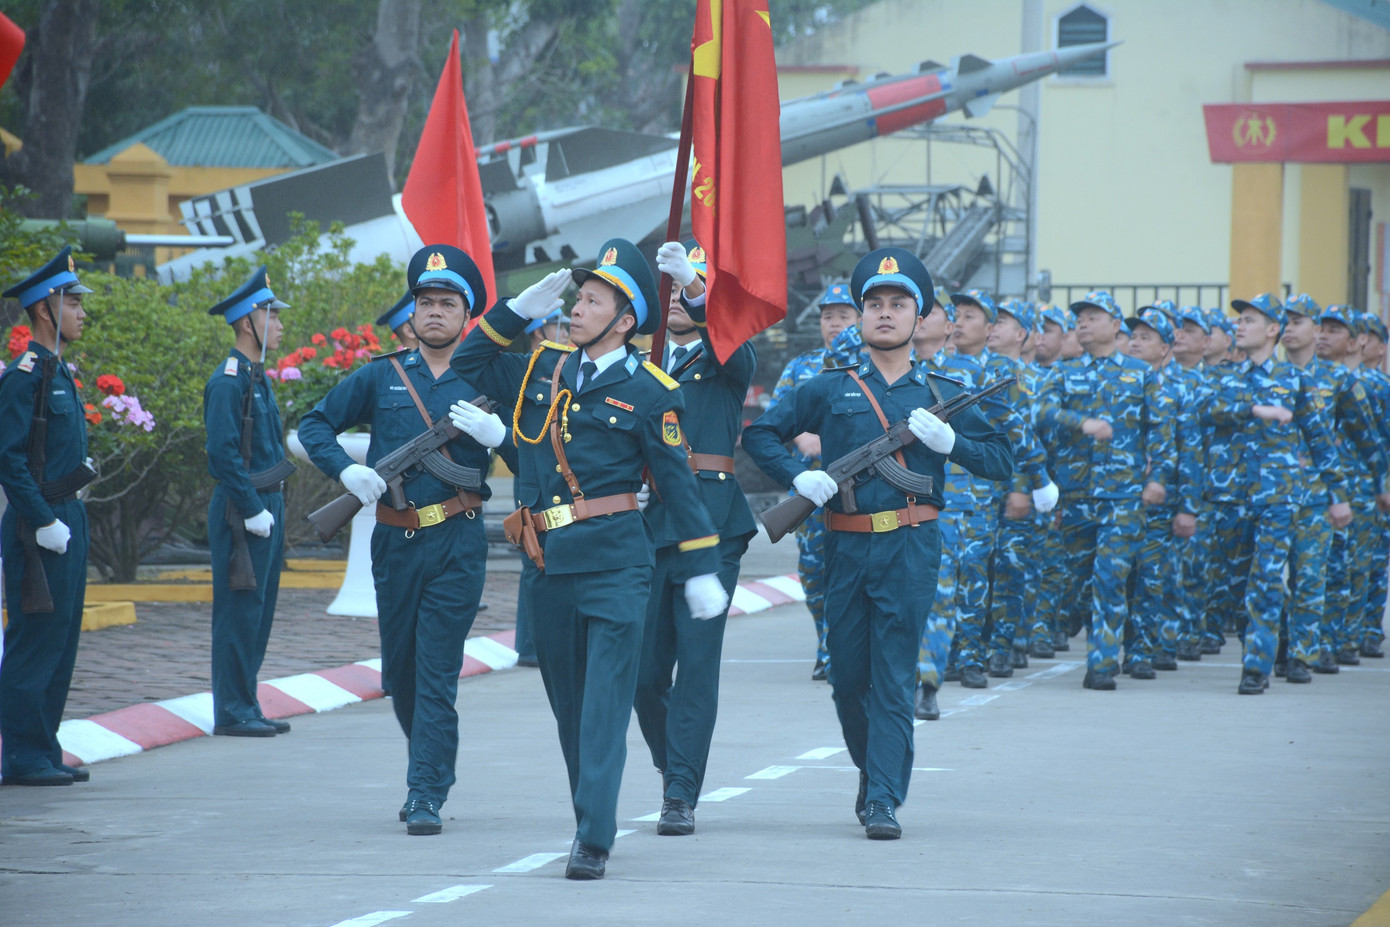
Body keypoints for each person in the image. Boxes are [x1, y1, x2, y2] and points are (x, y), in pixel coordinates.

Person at [451, 238, 727, 880]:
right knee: (569, 705)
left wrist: (700, 566)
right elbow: (466, 360)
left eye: (593, 300)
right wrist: (514, 311)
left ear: (625, 320)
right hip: (548, 563)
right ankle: (589, 812)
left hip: (617, 563)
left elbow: (679, 489)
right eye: (578, 297)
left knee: (606, 701)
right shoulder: (543, 367)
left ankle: (593, 835)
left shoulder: (653, 391)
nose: (577, 308)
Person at [744, 248, 1012, 840]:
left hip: (912, 547)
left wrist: (951, 446)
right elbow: (760, 432)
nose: (884, 314)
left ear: (920, 320)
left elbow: (1000, 460)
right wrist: (797, 476)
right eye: (874, 304)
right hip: (844, 545)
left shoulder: (944, 390)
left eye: (898, 304)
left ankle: (883, 797)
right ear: (861, 318)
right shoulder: (828, 388)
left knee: (893, 676)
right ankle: (876, 774)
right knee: (846, 682)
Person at [298, 244, 510, 835]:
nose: (434, 312)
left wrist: (499, 438)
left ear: (467, 315)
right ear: (411, 313)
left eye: (447, 302)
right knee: (403, 675)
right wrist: (346, 470)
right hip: (393, 543)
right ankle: (434, 764)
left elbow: (535, 447)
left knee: (436, 669)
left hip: (459, 542)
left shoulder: (486, 375)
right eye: (425, 302)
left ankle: (424, 792)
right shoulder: (380, 375)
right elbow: (314, 424)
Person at [633, 241, 758, 837]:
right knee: (642, 672)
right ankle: (671, 763)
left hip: (709, 522)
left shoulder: (725, 354)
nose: (679, 297)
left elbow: (740, 356)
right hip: (643, 524)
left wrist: (703, 295)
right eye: (673, 288)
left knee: (696, 665)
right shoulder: (639, 363)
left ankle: (680, 790)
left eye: (691, 288)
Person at [1203, 294, 1351, 693]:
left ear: (1272, 330)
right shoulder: (1221, 377)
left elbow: (1320, 440)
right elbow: (1208, 410)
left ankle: (1257, 667)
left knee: (1266, 580)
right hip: (1229, 496)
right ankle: (1276, 639)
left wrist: (1338, 493)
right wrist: (1255, 408)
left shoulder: (1293, 379)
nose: (1240, 326)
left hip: (1278, 497)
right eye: (1239, 320)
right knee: (1235, 585)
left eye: (1250, 320)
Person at [1034, 291, 1174, 690]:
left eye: (1093, 316)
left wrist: (1158, 480)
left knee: (1110, 577)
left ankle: (1102, 662)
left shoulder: (1141, 373)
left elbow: (1161, 432)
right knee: (1080, 582)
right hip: (1076, 495)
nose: (1083, 322)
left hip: (1123, 496)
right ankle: (1100, 641)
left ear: (1116, 325)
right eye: (1080, 316)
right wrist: (1082, 423)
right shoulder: (1063, 373)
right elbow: (1040, 413)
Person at [0, 246, 96, 786]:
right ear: (44, 308)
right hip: (40, 527)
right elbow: (8, 458)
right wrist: (40, 520)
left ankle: (44, 745)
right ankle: (22, 755)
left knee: (61, 641)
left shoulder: (58, 372)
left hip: (67, 519)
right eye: (73, 301)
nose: (82, 311)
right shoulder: (26, 376)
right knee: (35, 639)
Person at [202, 267, 296, 739]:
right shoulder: (229, 381)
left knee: (258, 611)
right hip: (243, 511)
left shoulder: (257, 377)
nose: (279, 324)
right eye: (271, 315)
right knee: (239, 612)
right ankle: (233, 710)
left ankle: (246, 701)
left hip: (263, 506)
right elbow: (221, 454)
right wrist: (253, 507)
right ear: (247, 322)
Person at [767, 282, 860, 681]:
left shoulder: (871, 365)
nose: (835, 323)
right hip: (809, 490)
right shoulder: (802, 367)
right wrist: (801, 436)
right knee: (813, 572)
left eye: (844, 316)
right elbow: (773, 422)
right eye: (828, 317)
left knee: (851, 573)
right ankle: (826, 642)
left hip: (858, 491)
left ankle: (840, 649)